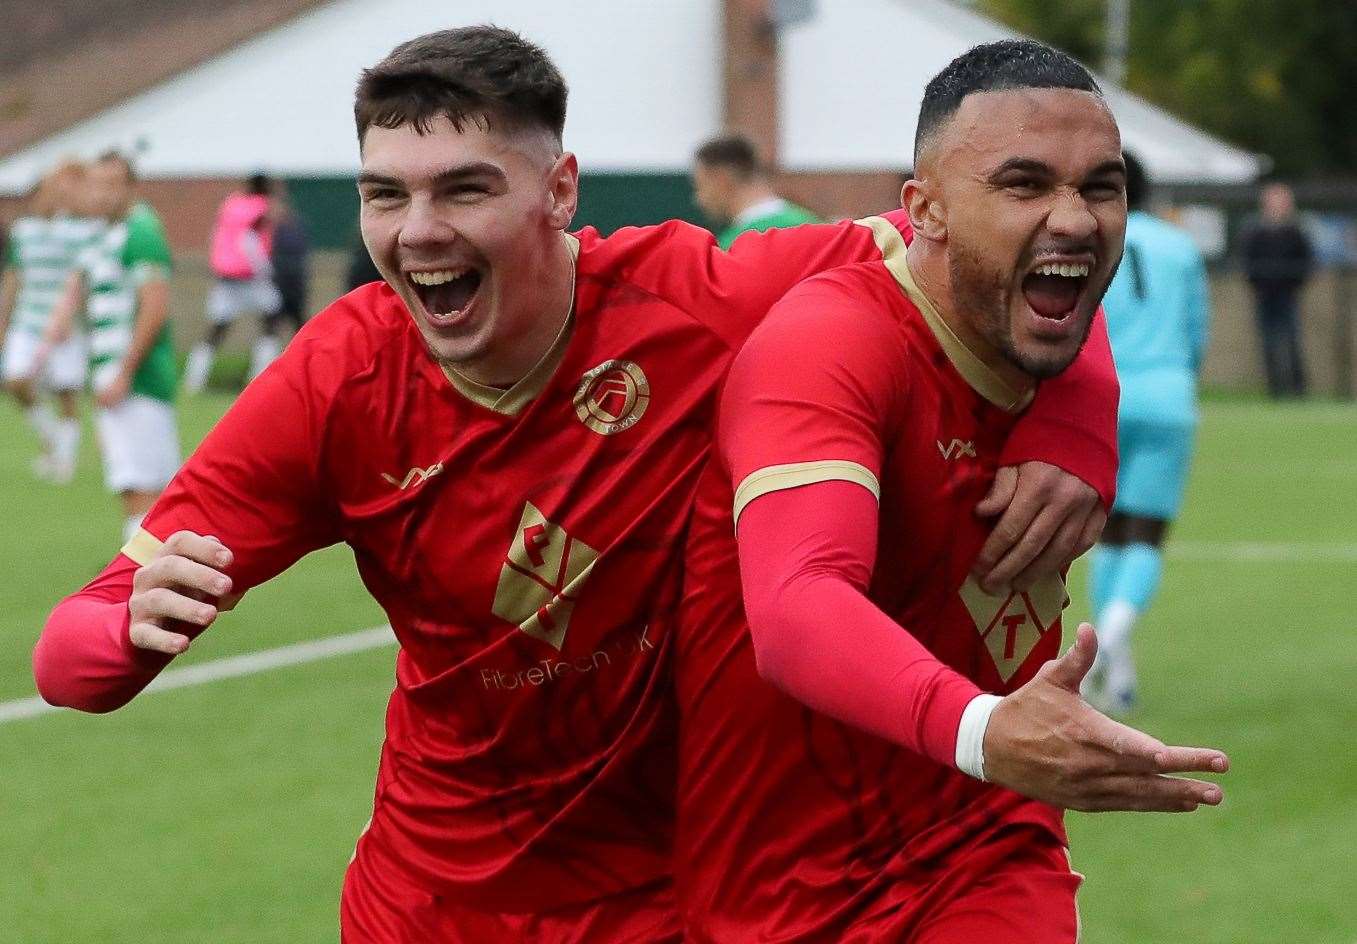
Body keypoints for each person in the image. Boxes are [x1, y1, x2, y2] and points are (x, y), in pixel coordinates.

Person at [34, 27, 1120, 942]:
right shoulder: (335, 381)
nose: (418, 231)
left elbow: (998, 249)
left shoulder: (694, 295)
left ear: (559, 190)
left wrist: (1078, 425)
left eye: (464, 188)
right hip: (437, 903)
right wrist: (120, 632)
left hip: (660, 898)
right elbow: (70, 651)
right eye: (385, 195)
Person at [675, 41, 1229, 942]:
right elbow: (797, 603)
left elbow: (1062, 314)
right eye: (1022, 184)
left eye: (1100, 187)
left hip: (986, 853)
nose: (1076, 219)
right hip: (778, 889)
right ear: (921, 210)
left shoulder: (1047, 339)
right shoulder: (830, 336)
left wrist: (1082, 414)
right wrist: (986, 731)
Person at [1083, 152, 1210, 714]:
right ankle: (1113, 637)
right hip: (1166, 395)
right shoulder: (1180, 247)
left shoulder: (1089, 244)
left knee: (1106, 529)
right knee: (1146, 532)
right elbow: (1197, 330)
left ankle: (1110, 659)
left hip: (1103, 394)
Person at [46, 152, 180, 542]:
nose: (102, 195)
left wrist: (124, 372)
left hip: (138, 379)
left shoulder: (140, 231)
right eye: (96, 185)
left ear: (129, 188)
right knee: (136, 484)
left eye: (111, 186)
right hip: (115, 376)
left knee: (142, 487)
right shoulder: (105, 233)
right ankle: (149, 579)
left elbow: (154, 308)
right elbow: (82, 288)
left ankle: (140, 581)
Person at [0, 160, 102, 483]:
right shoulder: (24, 232)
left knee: (66, 392)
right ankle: (52, 438)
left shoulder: (76, 231)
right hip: (29, 319)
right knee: (15, 379)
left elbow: (83, 277)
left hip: (63, 326)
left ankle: (64, 461)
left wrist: (73, 314)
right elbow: (14, 277)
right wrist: (4, 319)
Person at [182, 173, 283, 392]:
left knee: (216, 329)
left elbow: (217, 234)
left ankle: (193, 380)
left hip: (225, 275)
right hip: (251, 276)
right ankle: (261, 377)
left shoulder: (230, 203)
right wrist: (265, 270)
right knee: (272, 320)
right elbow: (250, 240)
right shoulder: (262, 207)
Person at [1241, 182, 1312, 398]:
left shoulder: (1295, 231)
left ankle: (1298, 390)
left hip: (1287, 295)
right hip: (1265, 296)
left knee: (1291, 342)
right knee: (1268, 343)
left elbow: (1305, 261)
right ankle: (1276, 390)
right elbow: (1248, 261)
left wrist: (1294, 282)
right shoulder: (1255, 231)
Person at [692, 133, 818, 249]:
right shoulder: (811, 225)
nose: (699, 198)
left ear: (721, 179)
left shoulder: (731, 247)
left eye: (701, 186)